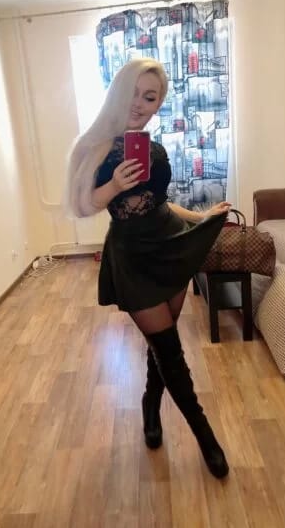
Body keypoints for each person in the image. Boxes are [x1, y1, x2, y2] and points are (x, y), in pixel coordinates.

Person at [67, 58, 230, 479]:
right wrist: (113, 185)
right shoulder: (94, 145)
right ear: (118, 93)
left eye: (150, 97)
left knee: (163, 342)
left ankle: (149, 403)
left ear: (159, 104)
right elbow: (81, 206)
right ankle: (206, 437)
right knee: (170, 352)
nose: (139, 104)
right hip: (133, 258)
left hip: (170, 244)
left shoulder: (153, 149)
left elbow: (160, 204)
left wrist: (202, 216)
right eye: (134, 93)